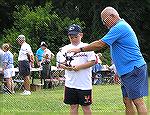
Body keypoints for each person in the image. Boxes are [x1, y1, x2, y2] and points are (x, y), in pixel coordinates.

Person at [68, 7, 148, 115]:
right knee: (127, 101)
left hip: (133, 69)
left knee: (138, 101)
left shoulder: (120, 27)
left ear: (112, 16)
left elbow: (101, 44)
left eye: (104, 21)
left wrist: (80, 49)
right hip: (127, 71)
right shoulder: (118, 27)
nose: (104, 25)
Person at [59, 24, 96, 115]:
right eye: (71, 37)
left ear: (81, 35)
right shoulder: (65, 49)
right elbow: (60, 63)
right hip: (70, 83)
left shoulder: (87, 47)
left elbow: (92, 61)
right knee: (73, 106)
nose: (73, 39)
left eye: (75, 36)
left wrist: (79, 67)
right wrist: (67, 67)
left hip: (84, 84)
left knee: (86, 107)